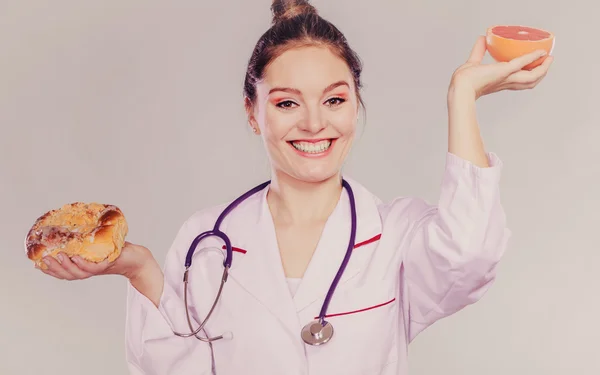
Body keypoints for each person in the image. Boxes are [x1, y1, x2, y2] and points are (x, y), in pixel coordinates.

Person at [37, 1, 553, 374]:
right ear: (252, 113)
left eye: (334, 100)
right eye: (286, 103)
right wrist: (139, 267)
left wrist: (462, 95)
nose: (313, 124)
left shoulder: (395, 234)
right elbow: (175, 367)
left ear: (356, 104)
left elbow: (471, 253)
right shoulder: (206, 240)